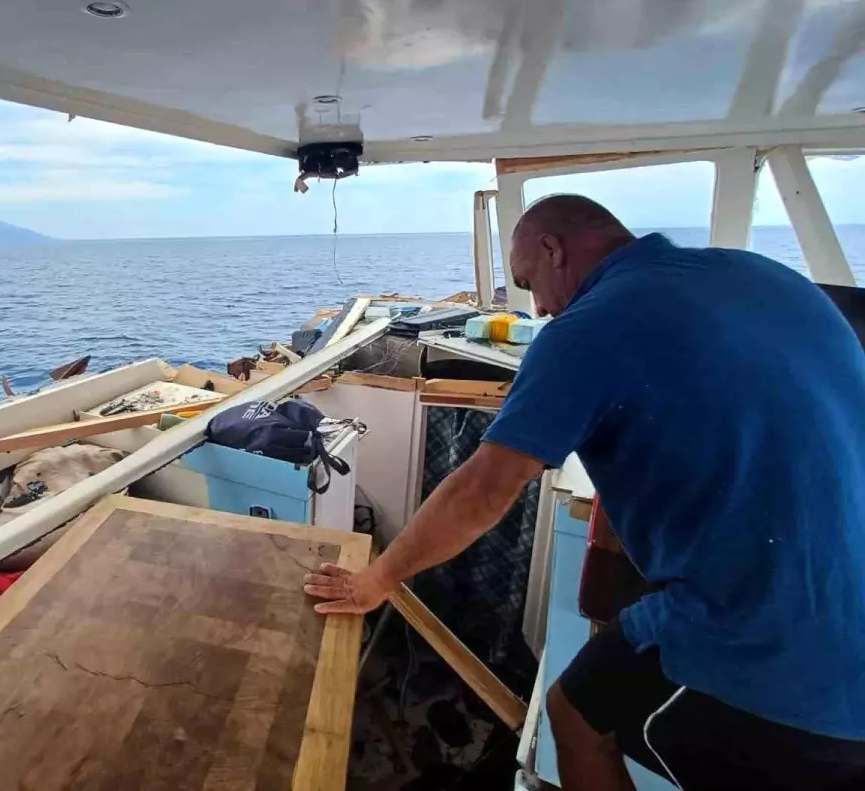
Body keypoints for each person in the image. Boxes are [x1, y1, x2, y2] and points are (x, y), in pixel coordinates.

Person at [303, 194, 865, 790]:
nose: (540, 308)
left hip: (786, 651)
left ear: (553, 249)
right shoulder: (764, 275)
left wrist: (378, 579)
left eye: (528, 283)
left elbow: (481, 493)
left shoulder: (588, 329)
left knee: (574, 716)